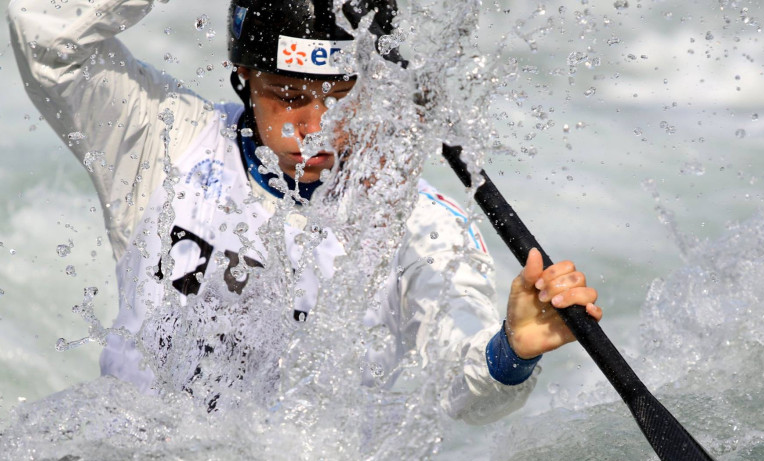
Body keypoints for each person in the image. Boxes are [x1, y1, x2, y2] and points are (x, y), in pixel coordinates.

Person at [8, 0, 602, 425]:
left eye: (342, 99)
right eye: (288, 98)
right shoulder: (161, 138)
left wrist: (512, 351)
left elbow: (462, 386)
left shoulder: (422, 225)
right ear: (243, 78)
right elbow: (45, 32)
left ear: (375, 91)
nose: (315, 131)